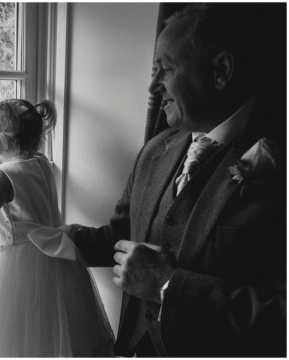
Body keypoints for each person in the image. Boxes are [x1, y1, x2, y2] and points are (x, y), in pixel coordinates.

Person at [61, 4, 285, 357]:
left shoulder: (279, 159)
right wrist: (56, 240)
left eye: (164, 69)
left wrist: (167, 285)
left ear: (221, 71)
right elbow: (122, 237)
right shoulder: (156, 149)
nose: (153, 87)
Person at [0, 99, 115, 357]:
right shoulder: (41, 162)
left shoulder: (2, 175)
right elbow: (20, 171)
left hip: (15, 268)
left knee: (15, 336)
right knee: (51, 330)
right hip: (56, 263)